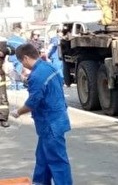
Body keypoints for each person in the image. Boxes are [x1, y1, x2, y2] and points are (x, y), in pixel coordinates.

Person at [10, 42, 73, 185]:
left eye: (21, 62)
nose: (22, 65)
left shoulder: (37, 75)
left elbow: (33, 102)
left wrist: (17, 112)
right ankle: (39, 182)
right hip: (56, 120)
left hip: (50, 124)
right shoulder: (49, 67)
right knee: (42, 159)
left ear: (25, 58)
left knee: (57, 162)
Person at [0, 37, 14, 127]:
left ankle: (3, 118)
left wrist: (4, 51)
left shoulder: (2, 43)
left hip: (0, 75)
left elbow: (12, 50)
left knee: (2, 97)